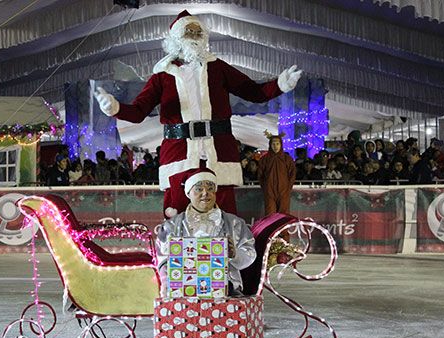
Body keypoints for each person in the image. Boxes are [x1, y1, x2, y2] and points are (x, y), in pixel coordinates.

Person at [95, 10, 303, 218]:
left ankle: (225, 249)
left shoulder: (218, 68)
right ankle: (176, 250)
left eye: (198, 32)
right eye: (189, 31)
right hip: (179, 153)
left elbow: (253, 92)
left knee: (223, 212)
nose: (194, 36)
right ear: (176, 38)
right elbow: (139, 111)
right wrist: (115, 108)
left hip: (218, 150)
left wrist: (280, 84)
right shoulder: (162, 75)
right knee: (177, 211)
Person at [156, 168, 256, 297]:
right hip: (183, 291)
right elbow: (163, 260)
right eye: (198, 189)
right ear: (188, 193)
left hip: (227, 290)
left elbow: (250, 253)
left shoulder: (234, 223)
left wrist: (234, 254)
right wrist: (168, 285)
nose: (205, 193)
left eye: (210, 189)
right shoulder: (171, 226)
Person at [257, 134, 296, 216]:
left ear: (281, 145)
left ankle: (283, 229)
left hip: (284, 191)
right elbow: (260, 175)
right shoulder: (264, 159)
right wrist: (265, 189)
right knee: (270, 215)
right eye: (273, 144)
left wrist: (288, 189)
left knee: (283, 215)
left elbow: (292, 174)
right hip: (269, 191)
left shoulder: (287, 159)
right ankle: (271, 229)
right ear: (270, 145)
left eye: (277, 144)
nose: (275, 146)